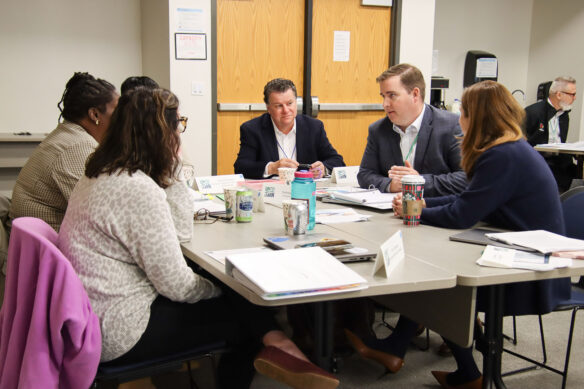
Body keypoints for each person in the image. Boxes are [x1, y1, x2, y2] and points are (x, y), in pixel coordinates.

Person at [58, 87, 339, 389]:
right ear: (162, 132)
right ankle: (279, 343)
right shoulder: (137, 188)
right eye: (178, 124)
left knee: (233, 290)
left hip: (91, 313)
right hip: (119, 328)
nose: (180, 133)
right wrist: (222, 289)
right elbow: (177, 285)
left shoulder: (101, 171)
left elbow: (178, 235)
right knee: (242, 308)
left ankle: (280, 342)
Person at [348, 81, 570, 389]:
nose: (459, 118)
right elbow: (467, 202)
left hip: (531, 271)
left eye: (463, 112)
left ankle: (464, 372)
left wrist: (416, 209)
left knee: (442, 285)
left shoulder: (502, 156)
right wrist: (418, 205)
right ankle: (434, 359)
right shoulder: (508, 148)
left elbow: (462, 214)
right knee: (435, 274)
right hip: (515, 249)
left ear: (476, 117)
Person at [8, 72, 119, 231]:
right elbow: (101, 214)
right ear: (94, 114)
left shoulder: (67, 134)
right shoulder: (77, 146)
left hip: (30, 238)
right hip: (48, 244)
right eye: (117, 111)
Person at [357, 64, 467, 197]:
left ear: (415, 94)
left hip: (435, 210)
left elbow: (466, 178)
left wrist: (419, 182)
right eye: (383, 96)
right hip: (390, 210)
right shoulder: (378, 130)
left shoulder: (450, 125)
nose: (385, 104)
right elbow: (365, 174)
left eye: (392, 95)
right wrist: (390, 185)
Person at [233, 78, 345, 179]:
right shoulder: (252, 129)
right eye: (279, 106)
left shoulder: (314, 127)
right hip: (272, 193)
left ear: (296, 103)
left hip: (305, 190)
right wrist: (271, 168)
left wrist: (323, 168)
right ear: (268, 108)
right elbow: (241, 167)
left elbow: (337, 161)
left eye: (290, 103)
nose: (286, 110)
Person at [524, 76, 578, 192]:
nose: (575, 98)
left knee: (578, 175)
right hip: (540, 162)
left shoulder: (564, 115)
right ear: (558, 95)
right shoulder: (533, 113)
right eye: (572, 95)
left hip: (559, 162)